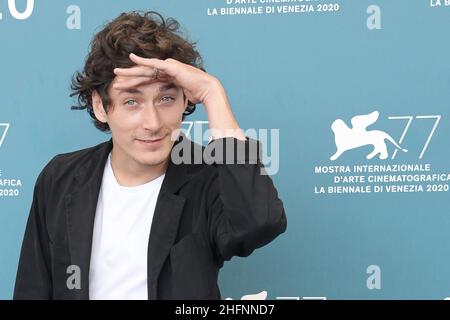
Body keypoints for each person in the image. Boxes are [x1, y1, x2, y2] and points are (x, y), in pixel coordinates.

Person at [14, 10, 287, 300]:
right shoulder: (61, 178)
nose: (153, 123)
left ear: (185, 100)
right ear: (100, 106)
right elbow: (33, 287)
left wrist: (212, 92)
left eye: (166, 98)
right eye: (132, 101)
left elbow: (260, 222)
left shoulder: (207, 176)